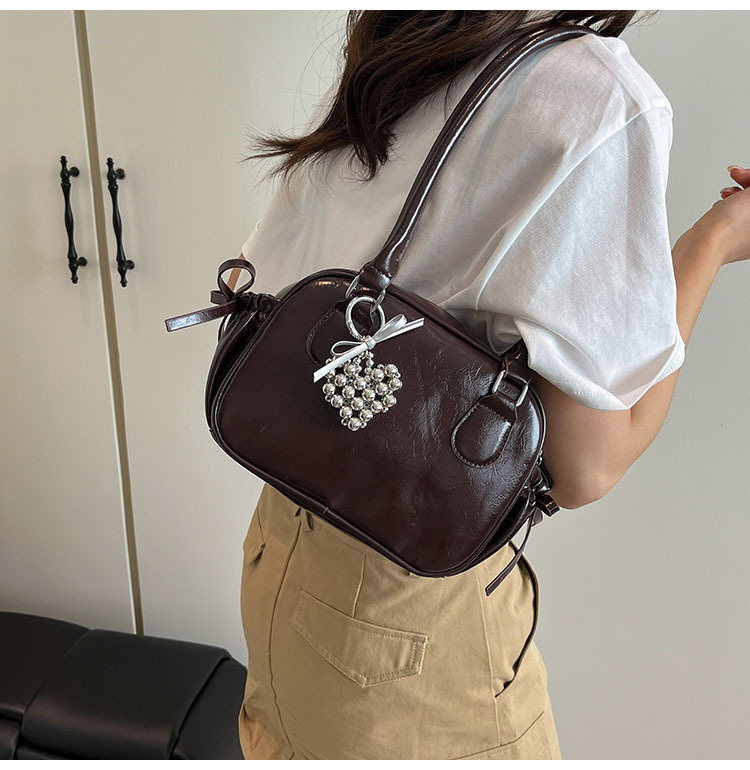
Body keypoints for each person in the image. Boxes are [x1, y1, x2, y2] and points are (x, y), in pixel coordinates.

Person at [232, 11, 750, 760]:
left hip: (281, 546)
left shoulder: (410, 31)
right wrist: (714, 241)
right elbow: (586, 468)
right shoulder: (600, 96)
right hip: (404, 618)